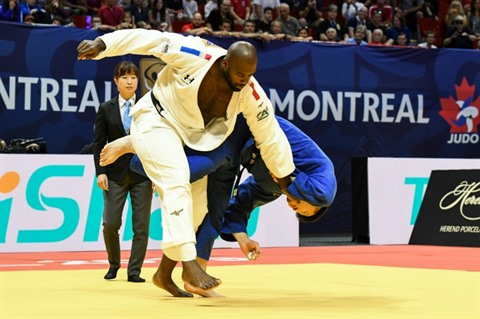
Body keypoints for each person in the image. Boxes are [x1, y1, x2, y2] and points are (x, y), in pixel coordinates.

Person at [77, 30, 295, 297]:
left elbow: (270, 135)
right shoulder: (194, 53)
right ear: (225, 63)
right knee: (176, 177)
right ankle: (189, 263)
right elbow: (150, 40)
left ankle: (163, 274)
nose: (244, 80)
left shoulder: (250, 91)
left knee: (198, 205)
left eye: (249, 75)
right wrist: (103, 44)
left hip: (192, 138)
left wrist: (285, 179)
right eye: (240, 74)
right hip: (155, 120)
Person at [93, 61, 153, 283]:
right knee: (110, 224)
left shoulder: (148, 108)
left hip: (143, 175)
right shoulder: (105, 109)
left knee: (141, 227)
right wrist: (101, 171)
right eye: (125, 77)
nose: (130, 81)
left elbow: (155, 141)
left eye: (134, 77)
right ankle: (114, 263)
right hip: (114, 174)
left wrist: (156, 173)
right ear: (116, 81)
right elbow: (99, 143)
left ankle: (134, 271)